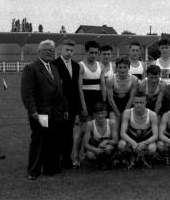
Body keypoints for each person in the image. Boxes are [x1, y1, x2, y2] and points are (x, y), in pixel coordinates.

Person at [21, 39, 68, 180]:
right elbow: (27, 94)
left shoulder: (54, 68)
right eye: (46, 50)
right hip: (40, 113)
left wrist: (65, 108)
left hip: (56, 113)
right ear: (39, 52)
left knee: (54, 141)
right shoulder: (31, 68)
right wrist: (33, 112)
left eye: (51, 50)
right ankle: (33, 171)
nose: (49, 52)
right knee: (39, 142)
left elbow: (60, 90)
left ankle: (51, 169)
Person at [51, 39, 81, 169]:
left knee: (69, 134)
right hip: (58, 106)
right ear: (60, 50)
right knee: (58, 134)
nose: (69, 53)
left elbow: (76, 88)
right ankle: (55, 161)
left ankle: (66, 161)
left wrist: (79, 108)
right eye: (66, 50)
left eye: (71, 50)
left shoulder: (76, 66)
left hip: (73, 106)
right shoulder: (53, 64)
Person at [74, 40, 106, 167]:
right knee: (82, 131)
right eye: (91, 52)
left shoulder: (100, 66)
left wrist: (104, 104)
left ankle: (89, 155)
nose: (93, 55)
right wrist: (83, 107)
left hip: (97, 102)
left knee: (94, 131)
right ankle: (76, 157)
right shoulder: (80, 66)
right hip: (85, 102)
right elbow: (79, 89)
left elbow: (102, 86)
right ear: (86, 51)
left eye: (95, 53)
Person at [118, 91, 159, 168]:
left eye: (141, 102)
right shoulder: (127, 113)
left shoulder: (152, 115)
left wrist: (145, 143)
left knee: (152, 148)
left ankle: (145, 158)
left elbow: (156, 135)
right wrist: (133, 142)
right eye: (136, 102)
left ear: (146, 102)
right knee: (121, 144)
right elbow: (122, 133)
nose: (139, 105)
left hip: (146, 141)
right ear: (133, 102)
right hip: (132, 140)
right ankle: (130, 157)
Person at [107, 57, 139, 131]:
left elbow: (132, 98)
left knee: (126, 123)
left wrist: (125, 112)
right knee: (115, 124)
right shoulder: (110, 79)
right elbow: (110, 99)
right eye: (120, 67)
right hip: (114, 102)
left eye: (125, 67)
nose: (122, 70)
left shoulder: (134, 79)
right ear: (116, 68)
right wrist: (118, 113)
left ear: (129, 68)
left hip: (127, 102)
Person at [83, 102, 118, 170]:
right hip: (95, 146)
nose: (100, 116)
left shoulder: (112, 123)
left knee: (108, 149)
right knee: (90, 155)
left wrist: (106, 141)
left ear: (106, 113)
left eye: (102, 113)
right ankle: (97, 162)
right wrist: (94, 149)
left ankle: (108, 162)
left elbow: (116, 140)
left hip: (107, 146)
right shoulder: (90, 124)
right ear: (94, 114)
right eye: (98, 113)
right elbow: (85, 144)